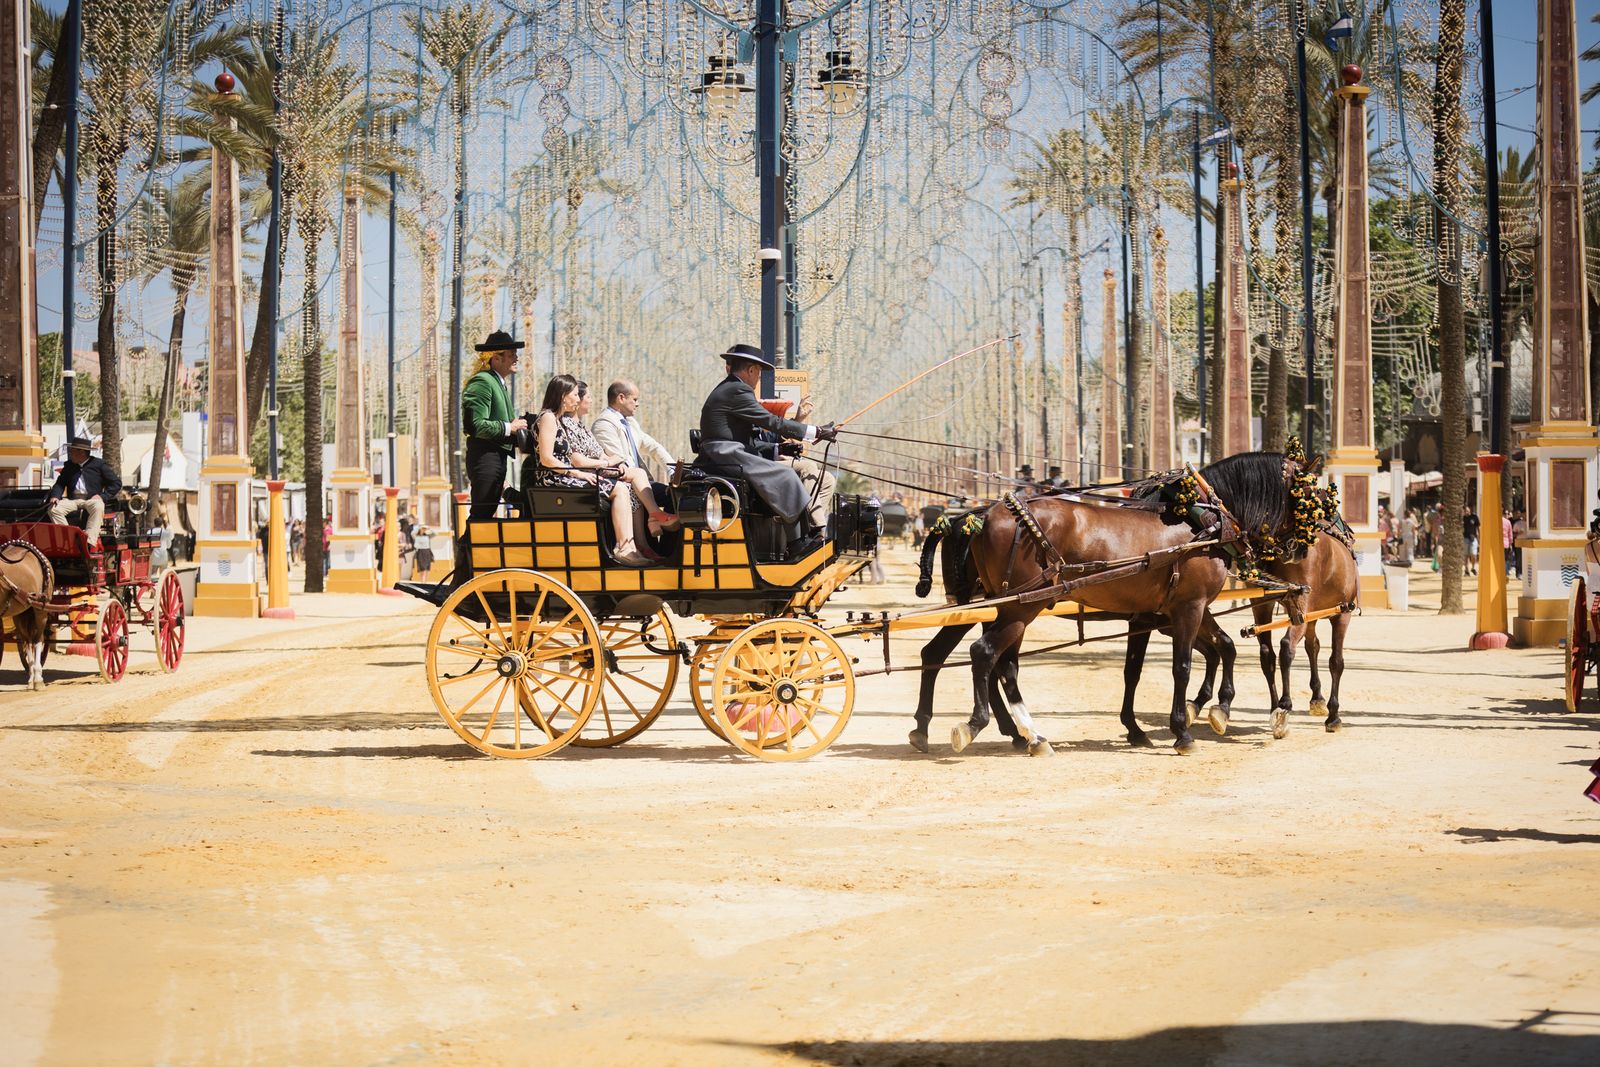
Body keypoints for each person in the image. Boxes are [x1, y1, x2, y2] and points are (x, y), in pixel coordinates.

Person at [697, 343, 838, 557]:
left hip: (731, 452)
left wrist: (779, 448)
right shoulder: (737, 390)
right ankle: (797, 543)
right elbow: (772, 422)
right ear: (751, 370)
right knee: (786, 475)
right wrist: (816, 431)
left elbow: (749, 439)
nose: (758, 379)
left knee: (807, 477)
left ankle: (808, 535)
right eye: (759, 374)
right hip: (725, 455)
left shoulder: (730, 388)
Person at [528, 375, 673, 567]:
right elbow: (547, 459)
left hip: (564, 474)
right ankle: (624, 547)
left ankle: (632, 545)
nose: (578, 399)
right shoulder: (548, 417)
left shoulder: (558, 420)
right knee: (619, 488)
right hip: (553, 478)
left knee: (625, 484)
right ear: (563, 396)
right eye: (575, 395)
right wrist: (577, 473)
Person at [462, 330, 529, 521]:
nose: (516, 358)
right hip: (485, 458)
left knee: (484, 515)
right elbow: (474, 425)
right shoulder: (482, 381)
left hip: (495, 458)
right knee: (481, 516)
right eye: (511, 354)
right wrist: (510, 427)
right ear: (496, 358)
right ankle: (468, 542)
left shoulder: (497, 383)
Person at [592, 379, 676, 483]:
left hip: (639, 480)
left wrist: (673, 471)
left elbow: (654, 447)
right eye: (635, 399)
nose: (637, 404)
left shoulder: (630, 422)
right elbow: (618, 460)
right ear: (621, 398)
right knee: (666, 493)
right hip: (623, 482)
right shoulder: (604, 424)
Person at [47, 435, 122, 548]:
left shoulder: (99, 464)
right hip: (73, 500)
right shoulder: (69, 466)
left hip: (91, 499)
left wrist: (102, 496)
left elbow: (116, 483)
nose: (70, 454)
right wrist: (55, 496)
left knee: (98, 507)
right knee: (53, 509)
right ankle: (69, 538)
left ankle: (88, 542)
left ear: (81, 452)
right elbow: (60, 484)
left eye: (72, 451)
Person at [1462, 503, 1480, 576]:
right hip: (1465, 538)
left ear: (1470, 510)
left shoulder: (1474, 517)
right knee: (1466, 555)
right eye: (1465, 510)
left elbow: (1478, 528)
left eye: (1467, 510)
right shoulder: (1463, 518)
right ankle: (1466, 570)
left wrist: (1479, 538)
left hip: (1473, 538)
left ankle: (1473, 568)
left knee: (1473, 554)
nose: (1466, 512)